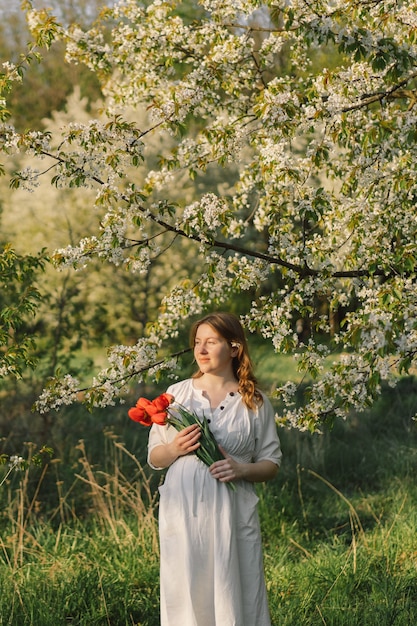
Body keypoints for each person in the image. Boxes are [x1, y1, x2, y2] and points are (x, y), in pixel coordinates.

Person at [148, 312, 282, 626]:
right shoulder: (176, 395)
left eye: (211, 342)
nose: (201, 350)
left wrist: (241, 470)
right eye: (197, 342)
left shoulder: (254, 402)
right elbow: (155, 458)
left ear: (234, 348)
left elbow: (271, 464)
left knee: (234, 586)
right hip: (184, 509)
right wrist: (174, 449)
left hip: (232, 510)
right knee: (186, 590)